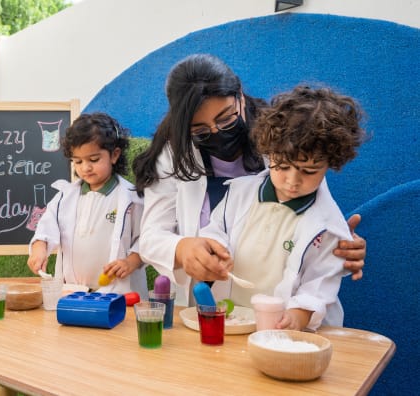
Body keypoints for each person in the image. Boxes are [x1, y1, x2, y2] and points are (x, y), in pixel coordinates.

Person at [132, 54, 366, 306]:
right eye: (199, 130)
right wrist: (182, 249)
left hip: (285, 308)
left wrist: (338, 244)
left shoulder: (284, 138)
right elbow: (151, 238)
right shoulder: (173, 154)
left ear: (240, 97)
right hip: (213, 305)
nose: (216, 132)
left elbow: (316, 210)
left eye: (225, 118)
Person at [199, 85, 367, 330]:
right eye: (282, 166)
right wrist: (214, 251)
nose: (293, 180)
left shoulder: (329, 226)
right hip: (237, 320)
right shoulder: (239, 193)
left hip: (293, 330)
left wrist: (297, 317)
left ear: (331, 164)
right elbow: (215, 231)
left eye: (308, 171)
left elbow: (319, 285)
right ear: (269, 153)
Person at [27, 112, 147, 295]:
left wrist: (130, 263)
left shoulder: (131, 199)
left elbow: (146, 239)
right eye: (78, 161)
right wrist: (39, 250)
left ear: (114, 155)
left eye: (93, 160)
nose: (85, 168)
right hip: (73, 292)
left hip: (120, 293)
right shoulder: (64, 197)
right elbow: (45, 229)